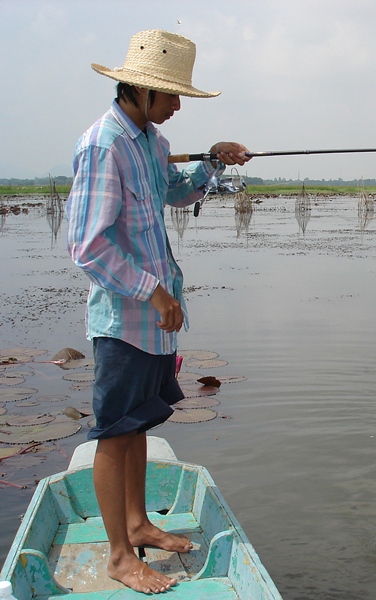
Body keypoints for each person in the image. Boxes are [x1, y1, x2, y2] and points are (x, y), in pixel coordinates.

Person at [65, 29, 250, 594]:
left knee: (140, 422)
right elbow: (88, 245)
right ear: (141, 90)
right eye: (172, 96)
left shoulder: (146, 139)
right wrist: (154, 291)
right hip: (125, 320)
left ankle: (139, 524)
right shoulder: (104, 144)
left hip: (154, 320)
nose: (176, 106)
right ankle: (120, 556)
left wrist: (212, 164)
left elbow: (171, 190)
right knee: (114, 432)